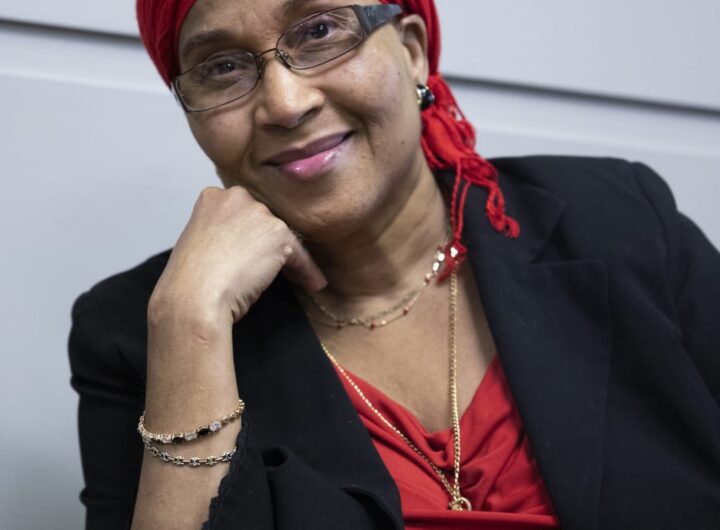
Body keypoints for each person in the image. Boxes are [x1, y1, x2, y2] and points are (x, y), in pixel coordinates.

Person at [67, 0, 720, 529]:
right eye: (222, 67)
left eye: (319, 31)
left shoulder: (619, 219)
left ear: (411, 50)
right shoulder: (143, 331)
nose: (286, 102)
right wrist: (191, 325)